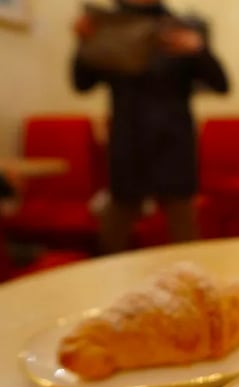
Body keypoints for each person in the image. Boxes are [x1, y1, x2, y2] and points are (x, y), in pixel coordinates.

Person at [72, 0, 230, 254]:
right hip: (129, 143)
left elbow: (221, 84)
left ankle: (189, 289)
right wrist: (84, 42)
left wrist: (200, 50)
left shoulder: (179, 28)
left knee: (184, 233)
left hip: (173, 144)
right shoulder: (111, 28)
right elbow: (82, 83)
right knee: (114, 233)